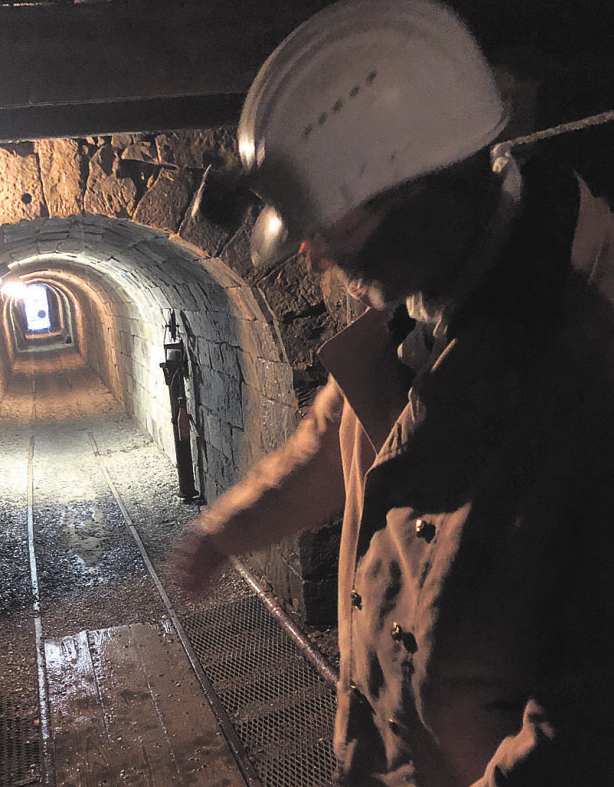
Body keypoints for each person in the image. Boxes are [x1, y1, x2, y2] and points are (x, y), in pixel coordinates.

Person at [173, 1, 614, 785]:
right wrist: (225, 530)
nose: (313, 259)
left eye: (331, 230)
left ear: (426, 192)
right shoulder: (425, 305)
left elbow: (581, 737)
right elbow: (330, 445)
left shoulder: (586, 365)